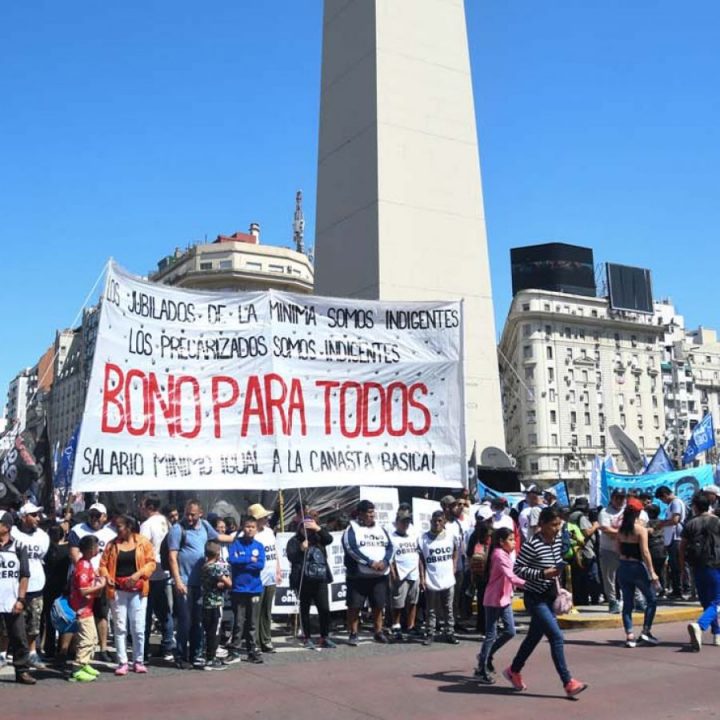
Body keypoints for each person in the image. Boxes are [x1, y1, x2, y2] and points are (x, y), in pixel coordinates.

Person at [505, 507, 587, 698]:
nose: (557, 528)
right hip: (535, 598)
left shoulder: (558, 540)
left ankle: (513, 670)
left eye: (558, 524)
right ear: (541, 525)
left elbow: (558, 558)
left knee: (533, 637)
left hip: (551, 595)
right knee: (556, 637)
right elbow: (517, 570)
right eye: (553, 525)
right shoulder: (531, 545)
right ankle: (568, 682)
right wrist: (542, 573)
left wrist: (558, 569)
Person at [168, 498, 234, 669]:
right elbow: (172, 557)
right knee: (185, 621)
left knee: (198, 621)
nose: (189, 518)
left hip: (201, 584)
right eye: (187, 514)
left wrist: (238, 537)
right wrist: (177, 581)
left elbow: (218, 537)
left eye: (193, 515)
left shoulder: (204, 525)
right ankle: (181, 656)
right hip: (185, 582)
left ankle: (196, 654)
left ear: (200, 514)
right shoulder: (178, 529)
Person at [99, 514, 156, 675]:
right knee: (120, 626)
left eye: (120, 526)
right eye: (116, 527)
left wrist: (138, 574)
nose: (117, 530)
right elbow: (103, 565)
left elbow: (151, 562)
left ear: (129, 527)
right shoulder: (112, 545)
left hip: (138, 589)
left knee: (138, 627)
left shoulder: (142, 542)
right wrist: (107, 577)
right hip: (118, 590)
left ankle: (138, 660)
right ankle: (122, 661)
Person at [475, 527, 525, 684]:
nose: (514, 542)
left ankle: (487, 655)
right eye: (510, 539)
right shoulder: (499, 555)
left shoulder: (506, 554)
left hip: (504, 599)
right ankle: (481, 669)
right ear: (501, 542)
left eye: (513, 539)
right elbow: (511, 576)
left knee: (510, 631)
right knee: (491, 634)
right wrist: (531, 584)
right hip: (493, 600)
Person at [68, 502, 117, 662]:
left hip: (101, 580)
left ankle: (102, 648)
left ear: (105, 517)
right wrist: (86, 571)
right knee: (80, 616)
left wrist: (103, 576)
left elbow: (112, 557)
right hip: (83, 581)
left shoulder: (111, 533)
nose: (94, 518)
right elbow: (74, 554)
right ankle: (76, 651)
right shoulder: (77, 530)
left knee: (102, 614)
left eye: (98, 515)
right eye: (92, 514)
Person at [342, 499, 393, 645]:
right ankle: (353, 632)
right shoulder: (351, 529)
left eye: (373, 512)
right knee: (354, 606)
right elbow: (351, 548)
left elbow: (390, 547)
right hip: (358, 575)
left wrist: (385, 561)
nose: (372, 515)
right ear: (360, 513)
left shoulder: (381, 529)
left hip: (379, 575)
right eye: (369, 512)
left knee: (378, 605)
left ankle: (378, 631)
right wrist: (370, 563)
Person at [286, 510, 335, 649]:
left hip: (320, 578)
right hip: (303, 579)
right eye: (303, 527)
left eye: (309, 528)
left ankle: (324, 636)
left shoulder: (318, 538)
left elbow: (329, 539)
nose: (306, 530)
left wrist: (318, 528)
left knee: (324, 608)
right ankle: (307, 637)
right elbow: (291, 557)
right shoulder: (294, 541)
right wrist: (301, 549)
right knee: (304, 609)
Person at [615, 497, 659, 648]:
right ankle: (646, 630)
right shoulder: (640, 530)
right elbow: (645, 552)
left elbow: (617, 549)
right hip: (636, 567)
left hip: (623, 566)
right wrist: (652, 572)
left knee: (628, 603)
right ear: (638, 513)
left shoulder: (621, 529)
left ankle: (629, 635)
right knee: (651, 599)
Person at [11, 502, 50, 667]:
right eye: (33, 515)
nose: (37, 518)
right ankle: (4, 653)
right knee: (9, 622)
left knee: (34, 622)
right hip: (13, 585)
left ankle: (33, 652)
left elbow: (42, 555)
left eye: (38, 515)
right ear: (23, 517)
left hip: (35, 584)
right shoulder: (12, 533)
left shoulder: (42, 536)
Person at [681, 492, 720, 651]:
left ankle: (717, 633)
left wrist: (682, 567)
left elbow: (681, 548)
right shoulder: (717, 521)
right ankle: (700, 625)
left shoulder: (690, 524)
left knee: (706, 601)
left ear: (695, 507)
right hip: (716, 565)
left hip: (697, 566)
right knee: (717, 601)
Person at [0, 510, 35, 685]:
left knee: (19, 637)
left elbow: (24, 576)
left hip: (12, 601)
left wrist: (21, 599)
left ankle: (22, 670)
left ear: (6, 527)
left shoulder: (19, 547)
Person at [139, 492, 174, 663]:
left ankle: (143, 651)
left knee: (145, 614)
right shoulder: (166, 521)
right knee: (164, 612)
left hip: (150, 573)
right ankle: (168, 645)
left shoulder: (146, 524)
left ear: (149, 507)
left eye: (143, 505)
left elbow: (142, 549)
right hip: (165, 571)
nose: (141, 508)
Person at [226, 515, 265, 664]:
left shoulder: (259, 546)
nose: (249, 530)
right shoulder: (235, 544)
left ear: (256, 529)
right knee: (238, 622)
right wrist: (249, 560)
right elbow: (232, 560)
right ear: (243, 527)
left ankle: (252, 651)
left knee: (252, 623)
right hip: (238, 589)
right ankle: (234, 650)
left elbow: (260, 565)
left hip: (254, 589)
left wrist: (244, 563)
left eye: (253, 527)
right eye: (247, 526)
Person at [68, 534, 106, 683]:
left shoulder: (88, 563)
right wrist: (100, 585)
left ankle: (86, 663)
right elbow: (83, 590)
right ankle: (77, 668)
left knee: (93, 637)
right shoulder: (83, 565)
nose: (98, 549)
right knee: (87, 638)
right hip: (82, 609)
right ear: (90, 549)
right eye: (96, 547)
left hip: (87, 608)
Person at [418, 510, 459, 646]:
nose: (437, 523)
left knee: (448, 607)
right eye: (434, 521)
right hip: (431, 579)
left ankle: (449, 632)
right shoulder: (423, 539)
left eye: (440, 521)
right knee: (431, 609)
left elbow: (455, 552)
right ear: (431, 522)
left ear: (444, 522)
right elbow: (421, 560)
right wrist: (422, 578)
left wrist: (453, 566)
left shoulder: (451, 536)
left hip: (447, 578)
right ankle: (430, 633)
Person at [247, 503, 281, 653]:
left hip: (271, 575)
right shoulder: (250, 534)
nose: (266, 518)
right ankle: (254, 643)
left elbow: (274, 551)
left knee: (267, 610)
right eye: (263, 517)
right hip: (257, 578)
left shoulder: (269, 532)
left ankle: (266, 640)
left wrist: (278, 569)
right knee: (256, 612)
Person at [389, 509, 421, 641]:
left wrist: (421, 575)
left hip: (414, 573)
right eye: (403, 522)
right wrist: (393, 573)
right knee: (398, 603)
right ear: (397, 523)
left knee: (413, 601)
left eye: (408, 522)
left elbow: (418, 555)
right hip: (400, 574)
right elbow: (390, 559)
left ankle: (411, 625)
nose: (406, 524)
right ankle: (396, 625)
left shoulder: (413, 536)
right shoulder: (392, 538)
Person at [41, 524, 71, 662]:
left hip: (48, 587)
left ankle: (49, 649)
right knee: (63, 617)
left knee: (49, 618)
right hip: (63, 587)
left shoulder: (47, 550)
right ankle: (62, 649)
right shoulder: (67, 550)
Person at [200, 540, 231, 670]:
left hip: (206, 602)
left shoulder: (204, 567)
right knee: (215, 631)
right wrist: (226, 578)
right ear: (218, 554)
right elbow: (229, 583)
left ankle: (208, 655)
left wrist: (219, 584)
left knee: (208, 631)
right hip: (216, 603)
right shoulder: (216, 568)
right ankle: (211, 659)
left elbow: (213, 583)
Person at [655, 485, 688, 598]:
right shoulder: (672, 504)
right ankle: (678, 588)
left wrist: (662, 524)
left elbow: (675, 520)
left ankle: (679, 590)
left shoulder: (675, 503)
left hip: (676, 538)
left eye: (661, 499)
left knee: (676, 566)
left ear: (664, 495)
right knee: (674, 565)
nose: (662, 502)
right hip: (672, 539)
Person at [598, 489, 626, 613]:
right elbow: (606, 529)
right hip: (608, 549)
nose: (620, 500)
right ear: (612, 498)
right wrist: (625, 534)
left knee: (628, 575)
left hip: (625, 549)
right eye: (617, 498)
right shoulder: (605, 512)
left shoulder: (627, 511)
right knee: (609, 577)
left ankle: (634, 600)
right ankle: (612, 601)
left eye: (622, 498)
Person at [466, 506, 493, 633]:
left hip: (486, 574)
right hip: (483, 574)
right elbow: (469, 554)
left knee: (485, 600)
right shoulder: (475, 536)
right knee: (485, 600)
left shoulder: (476, 535)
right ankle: (484, 626)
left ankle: (485, 626)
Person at [645, 504, 667, 596]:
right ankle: (662, 589)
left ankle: (654, 589)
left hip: (652, 548)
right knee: (661, 570)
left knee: (652, 570)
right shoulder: (662, 523)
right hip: (662, 548)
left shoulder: (648, 524)